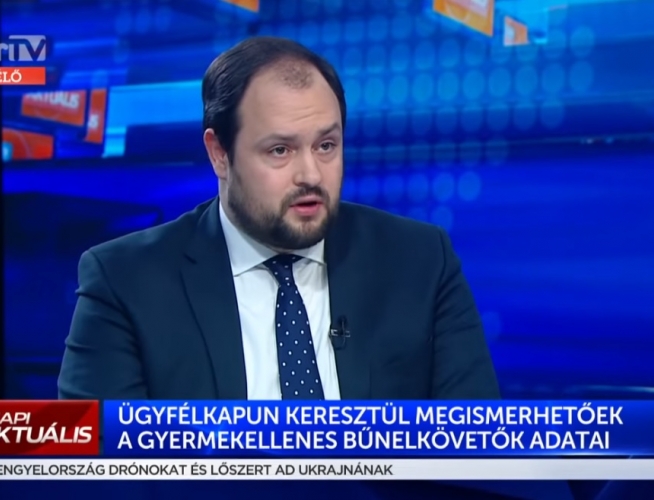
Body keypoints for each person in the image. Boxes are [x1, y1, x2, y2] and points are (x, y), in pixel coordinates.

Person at [58, 36, 500, 401]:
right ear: (219, 153)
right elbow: (98, 460)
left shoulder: (420, 260)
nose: (311, 175)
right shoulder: (126, 281)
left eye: (326, 146)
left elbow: (477, 445)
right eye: (280, 150)